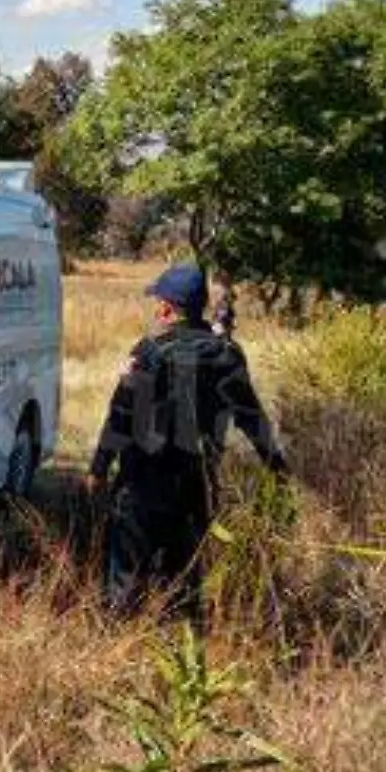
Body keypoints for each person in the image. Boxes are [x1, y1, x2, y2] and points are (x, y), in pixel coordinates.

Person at [86, 263, 288, 616]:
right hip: (196, 487)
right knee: (182, 586)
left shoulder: (148, 351)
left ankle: (119, 650)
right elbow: (252, 419)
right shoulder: (226, 355)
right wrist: (278, 467)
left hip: (141, 486)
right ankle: (184, 659)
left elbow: (120, 417)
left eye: (158, 304)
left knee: (125, 588)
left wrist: (98, 469)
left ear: (166, 308)